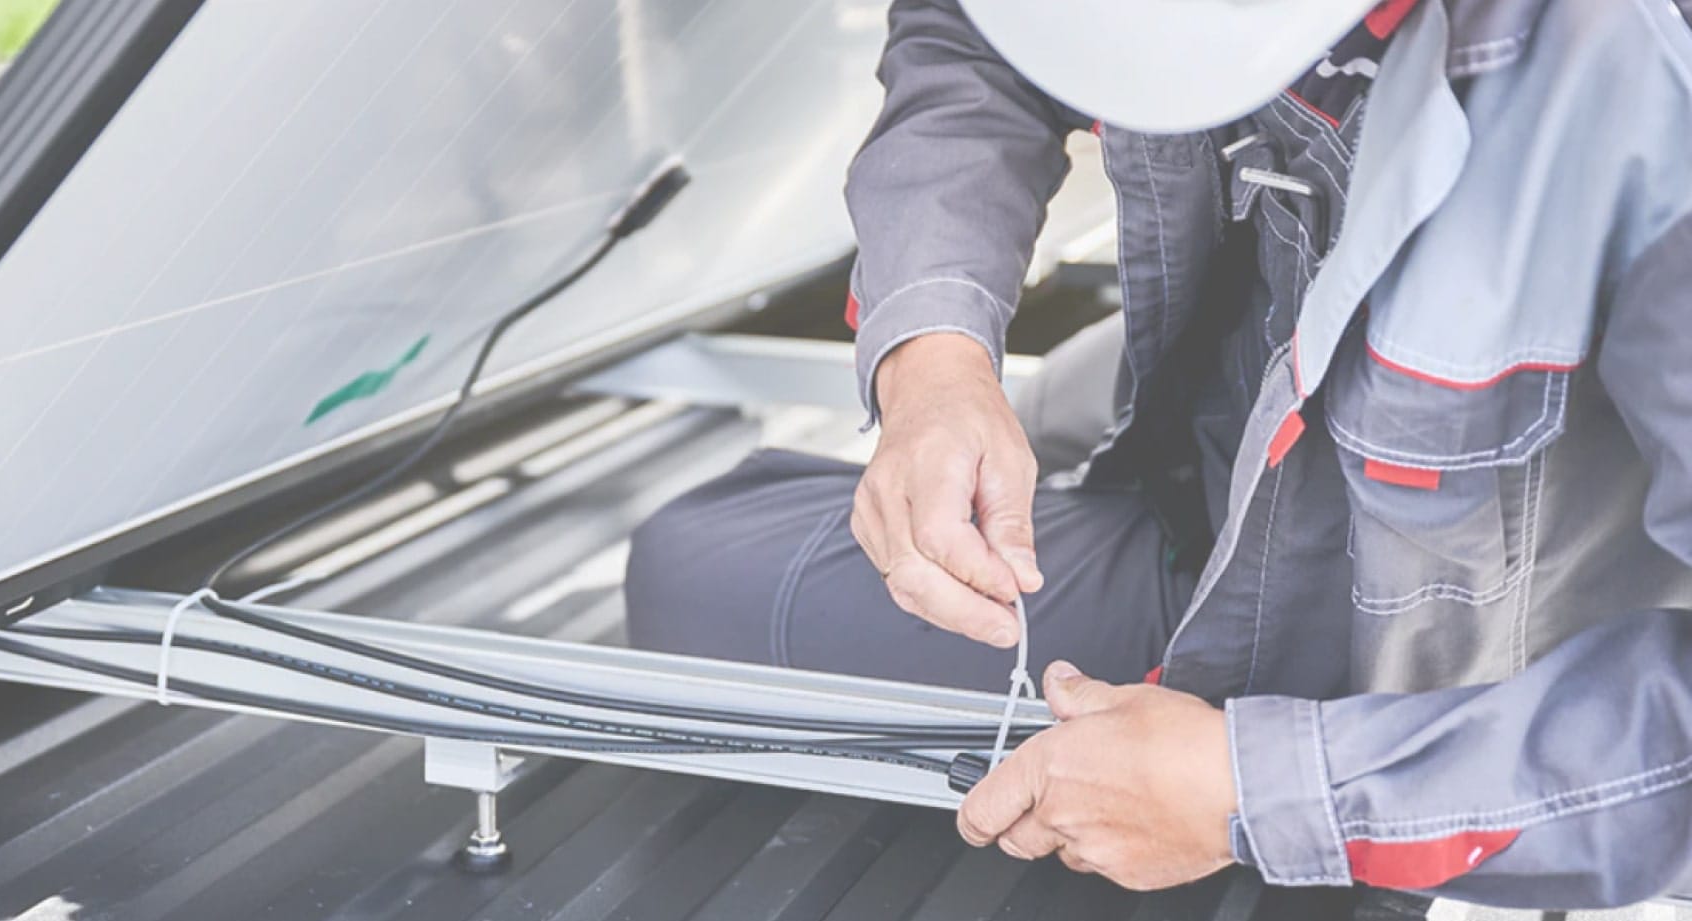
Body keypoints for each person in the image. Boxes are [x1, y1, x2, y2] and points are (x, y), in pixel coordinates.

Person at [624, 0, 1692, 911]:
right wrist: (933, 360)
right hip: (1206, 496)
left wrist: (1261, 791)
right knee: (687, 572)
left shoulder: (1647, 87)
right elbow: (979, 39)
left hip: (1411, 718)